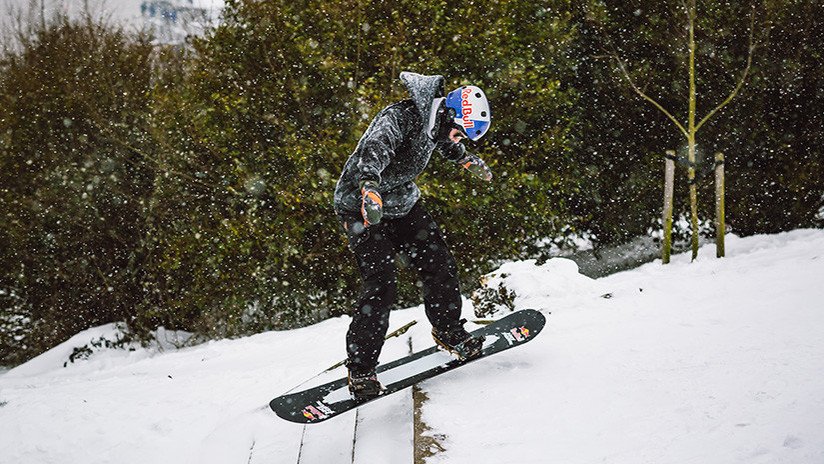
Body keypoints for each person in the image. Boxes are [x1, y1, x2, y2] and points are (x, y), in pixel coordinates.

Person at [334, 71, 493, 400]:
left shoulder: (439, 125)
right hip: (361, 204)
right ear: (449, 114)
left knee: (439, 263)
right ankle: (361, 367)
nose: (458, 139)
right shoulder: (399, 118)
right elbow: (372, 153)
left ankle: (449, 331)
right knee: (381, 281)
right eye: (460, 134)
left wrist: (465, 159)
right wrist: (370, 189)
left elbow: (444, 143)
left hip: (402, 203)